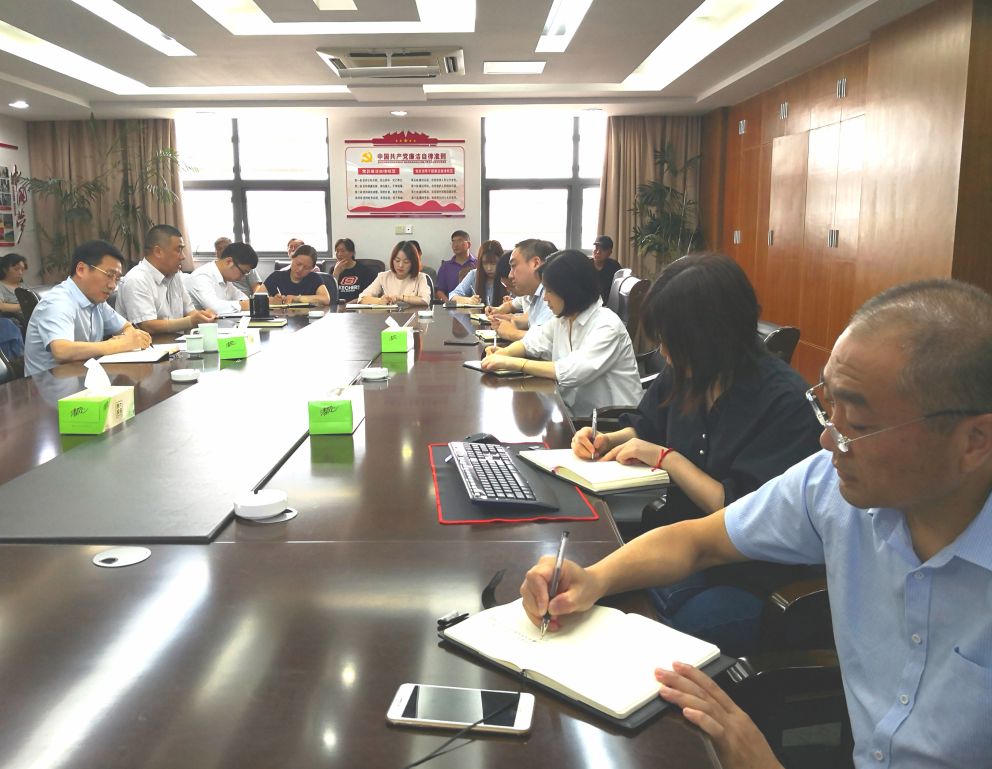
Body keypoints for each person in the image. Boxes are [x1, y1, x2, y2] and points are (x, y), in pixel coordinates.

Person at [522, 278, 992, 769]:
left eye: (859, 424)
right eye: (828, 405)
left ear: (973, 441)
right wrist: (593, 578)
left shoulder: (790, 416)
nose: (828, 439)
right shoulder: (830, 486)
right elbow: (697, 541)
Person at [572, 253, 822, 654]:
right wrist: (607, 438)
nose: (665, 353)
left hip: (756, 575)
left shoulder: (785, 404)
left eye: (672, 341)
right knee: (603, 593)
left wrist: (667, 458)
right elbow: (647, 424)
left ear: (711, 336)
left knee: (647, 636)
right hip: (686, 549)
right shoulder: (690, 371)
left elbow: (739, 513)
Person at [481, 250, 641, 417]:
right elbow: (532, 341)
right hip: (573, 413)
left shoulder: (606, 325)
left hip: (610, 423)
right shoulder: (564, 319)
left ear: (570, 290)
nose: (545, 298)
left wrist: (511, 363)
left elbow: (571, 371)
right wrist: (504, 353)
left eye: (549, 291)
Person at [23, 240, 151, 377]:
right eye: (109, 275)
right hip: (49, 384)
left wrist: (130, 339)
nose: (113, 285)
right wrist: (119, 344)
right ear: (81, 269)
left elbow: (127, 327)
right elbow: (62, 351)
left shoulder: (96, 300)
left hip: (85, 379)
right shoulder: (58, 302)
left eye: (117, 279)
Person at [116, 224, 217, 334]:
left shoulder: (174, 275)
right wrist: (191, 321)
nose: (183, 256)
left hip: (175, 341)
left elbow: (189, 311)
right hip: (149, 343)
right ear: (158, 252)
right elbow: (147, 325)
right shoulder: (136, 279)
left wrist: (203, 316)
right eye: (178, 250)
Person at [485, 239, 557, 342]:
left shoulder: (553, 294)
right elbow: (535, 325)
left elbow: (545, 340)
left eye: (513, 266)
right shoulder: (534, 293)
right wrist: (511, 321)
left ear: (536, 263)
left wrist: (512, 333)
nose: (510, 275)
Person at [187, 241, 258, 314]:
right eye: (243, 272)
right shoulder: (202, 276)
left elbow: (242, 298)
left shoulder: (225, 279)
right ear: (228, 262)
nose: (242, 277)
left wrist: (246, 304)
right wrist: (243, 305)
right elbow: (214, 307)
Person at [357, 241, 431, 306]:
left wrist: (400, 297)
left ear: (413, 263)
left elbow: (425, 299)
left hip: (413, 316)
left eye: (406, 262)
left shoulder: (421, 277)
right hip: (388, 316)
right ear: (392, 260)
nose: (400, 265)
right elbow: (362, 298)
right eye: (397, 260)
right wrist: (379, 301)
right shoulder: (383, 276)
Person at [263, 245, 330, 305]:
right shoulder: (276, 277)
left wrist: (297, 298)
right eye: (298, 264)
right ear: (292, 258)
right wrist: (272, 300)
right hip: (280, 314)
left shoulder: (314, 278)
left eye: (306, 267)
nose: (300, 269)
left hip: (307, 315)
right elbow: (257, 298)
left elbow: (326, 299)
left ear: (312, 268)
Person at [449, 239, 505, 306]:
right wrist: (469, 300)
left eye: (493, 263)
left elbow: (516, 300)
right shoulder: (473, 275)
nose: (489, 268)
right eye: (485, 263)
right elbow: (452, 296)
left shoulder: (508, 276)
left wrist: (510, 303)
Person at [331, 238, 376, 303]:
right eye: (337, 251)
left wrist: (352, 303)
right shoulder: (333, 270)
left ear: (352, 253)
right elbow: (330, 294)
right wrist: (336, 273)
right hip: (338, 305)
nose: (339, 254)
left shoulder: (363, 270)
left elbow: (369, 294)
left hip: (357, 305)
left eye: (343, 251)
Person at [434, 230, 475, 302]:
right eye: (453, 242)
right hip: (451, 305)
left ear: (468, 244)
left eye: (459, 241)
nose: (455, 245)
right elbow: (440, 291)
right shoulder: (445, 267)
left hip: (474, 304)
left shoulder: (477, 264)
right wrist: (450, 304)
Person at [591, 235, 622, 304]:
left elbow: (620, 289)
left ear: (609, 253)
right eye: (596, 248)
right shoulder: (585, 265)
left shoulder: (614, 266)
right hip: (588, 305)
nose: (598, 252)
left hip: (608, 305)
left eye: (603, 249)